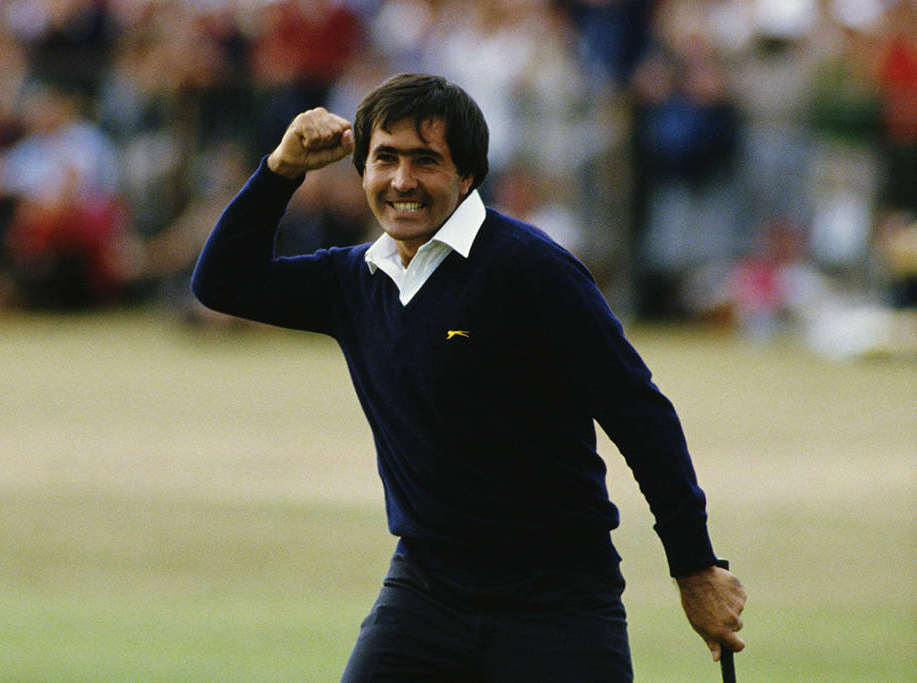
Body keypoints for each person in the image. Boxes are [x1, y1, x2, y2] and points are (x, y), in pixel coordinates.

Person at [191, 73, 745, 681]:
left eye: (425, 161)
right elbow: (222, 283)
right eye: (386, 160)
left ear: (467, 176)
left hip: (558, 598)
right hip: (425, 592)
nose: (402, 181)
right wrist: (280, 170)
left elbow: (640, 416)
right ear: (362, 171)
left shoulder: (532, 268)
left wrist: (694, 567)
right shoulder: (351, 280)